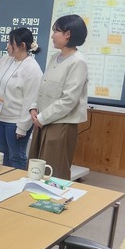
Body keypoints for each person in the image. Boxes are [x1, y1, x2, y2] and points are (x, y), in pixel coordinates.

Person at [29, 15, 89, 179]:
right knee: (36, 169)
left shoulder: (78, 62)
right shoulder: (55, 57)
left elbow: (69, 100)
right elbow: (43, 86)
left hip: (60, 125)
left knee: (53, 171)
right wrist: (34, 107)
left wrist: (42, 118)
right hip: (42, 120)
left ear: (67, 34)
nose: (52, 35)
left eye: (56, 31)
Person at [0, 27, 44, 170]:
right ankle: (5, 181)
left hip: (16, 122)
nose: (7, 46)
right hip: (0, 118)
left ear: (22, 45)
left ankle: (18, 182)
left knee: (16, 157)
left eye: (10, 43)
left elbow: (31, 101)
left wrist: (22, 127)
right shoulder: (6, 60)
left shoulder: (32, 68)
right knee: (2, 156)